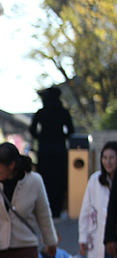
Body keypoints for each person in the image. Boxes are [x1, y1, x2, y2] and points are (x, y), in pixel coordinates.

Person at [29, 86, 74, 218]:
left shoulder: (41, 112)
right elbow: (71, 131)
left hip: (44, 150)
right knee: (58, 179)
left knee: (44, 180)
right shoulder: (63, 112)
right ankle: (57, 210)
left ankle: (44, 210)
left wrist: (42, 137)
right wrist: (60, 137)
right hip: (59, 149)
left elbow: (32, 130)